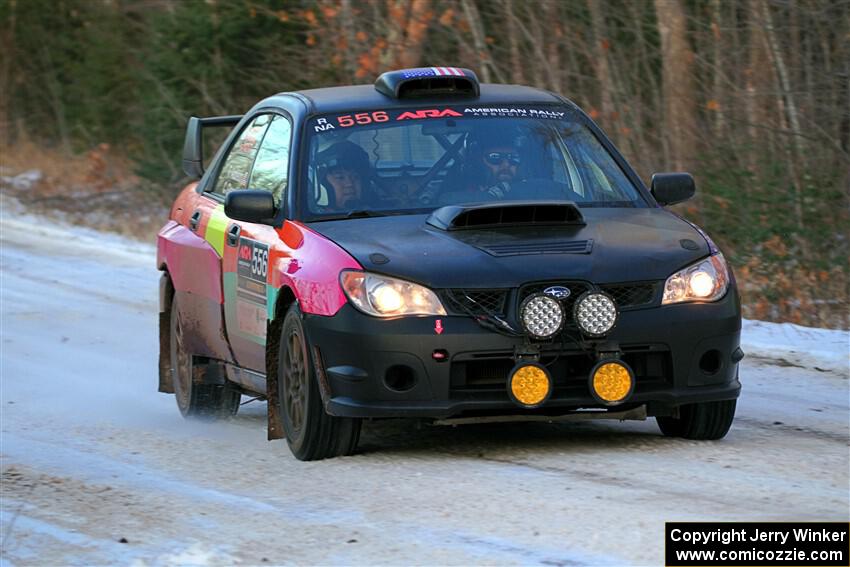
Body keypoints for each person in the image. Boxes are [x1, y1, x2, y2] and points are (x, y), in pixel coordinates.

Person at [316, 141, 372, 211]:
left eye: (355, 177)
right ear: (323, 184)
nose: (349, 184)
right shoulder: (310, 219)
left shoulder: (375, 214)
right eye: (340, 177)